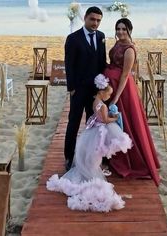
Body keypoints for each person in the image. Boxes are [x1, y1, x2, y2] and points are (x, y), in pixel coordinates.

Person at [47, 74, 132, 212]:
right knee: (96, 154)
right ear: (101, 92)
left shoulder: (95, 102)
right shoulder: (103, 106)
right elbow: (104, 120)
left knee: (93, 154)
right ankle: (91, 175)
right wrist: (115, 118)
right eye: (108, 94)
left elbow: (97, 116)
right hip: (99, 132)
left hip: (91, 131)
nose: (109, 97)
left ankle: (89, 170)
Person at [103, 18, 161, 186]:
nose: (120, 32)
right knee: (112, 124)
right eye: (118, 29)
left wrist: (116, 97)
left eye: (123, 29)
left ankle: (131, 160)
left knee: (125, 123)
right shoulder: (118, 43)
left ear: (129, 30)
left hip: (122, 91)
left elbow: (125, 76)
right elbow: (113, 64)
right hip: (110, 86)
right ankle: (113, 157)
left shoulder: (129, 49)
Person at [64, 6, 107, 171]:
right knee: (73, 123)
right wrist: (72, 88)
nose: (95, 23)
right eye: (93, 19)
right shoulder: (73, 39)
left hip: (95, 91)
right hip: (78, 90)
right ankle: (69, 157)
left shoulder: (101, 36)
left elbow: (102, 62)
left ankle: (90, 157)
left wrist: (102, 87)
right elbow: (69, 65)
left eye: (98, 20)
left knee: (93, 124)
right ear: (85, 18)